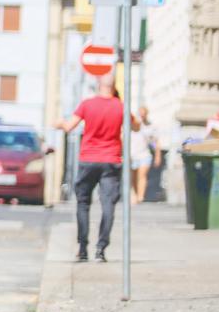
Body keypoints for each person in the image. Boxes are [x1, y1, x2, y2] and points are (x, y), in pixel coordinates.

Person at [55, 72, 139, 262]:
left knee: (83, 203)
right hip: (111, 160)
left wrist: (59, 123)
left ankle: (83, 248)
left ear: (98, 84)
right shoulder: (121, 107)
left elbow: (69, 126)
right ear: (114, 85)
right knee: (108, 205)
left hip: (88, 160)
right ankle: (101, 249)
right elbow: (136, 127)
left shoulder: (87, 104)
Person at [129, 106, 161, 204]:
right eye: (140, 114)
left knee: (142, 175)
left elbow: (155, 142)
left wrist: (157, 155)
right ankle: (134, 194)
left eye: (144, 114)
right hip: (132, 155)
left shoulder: (150, 127)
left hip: (144, 154)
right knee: (133, 176)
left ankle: (140, 196)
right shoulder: (131, 125)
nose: (142, 116)